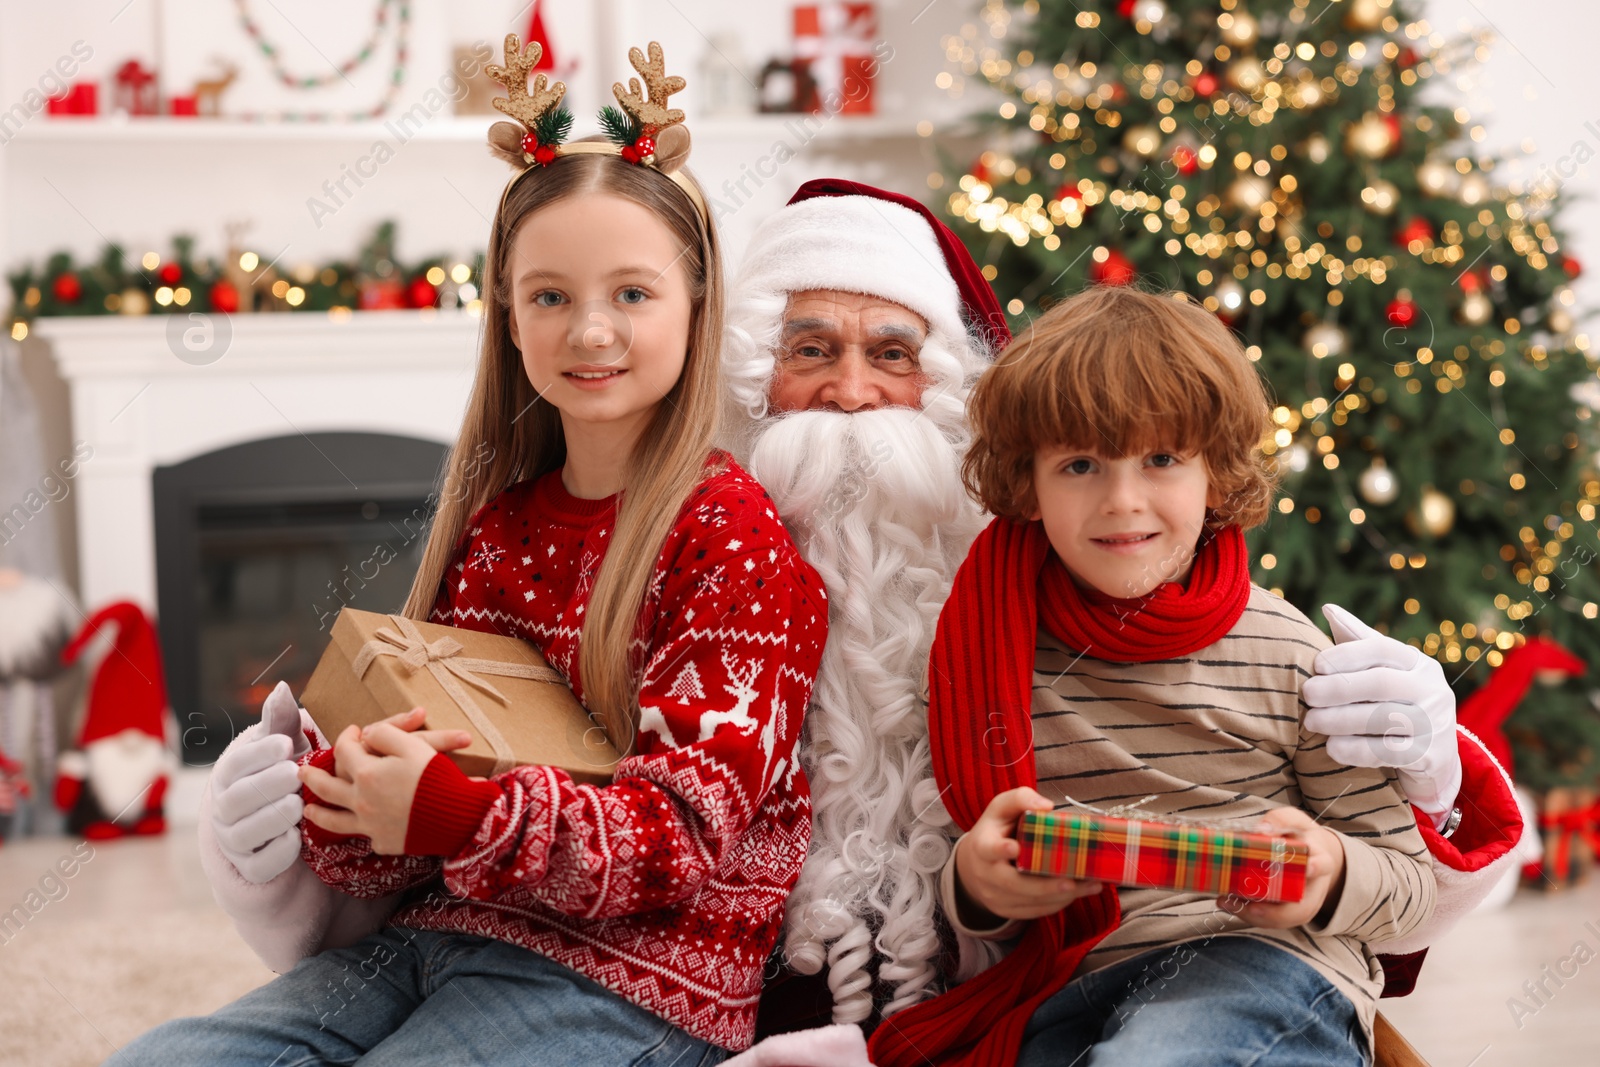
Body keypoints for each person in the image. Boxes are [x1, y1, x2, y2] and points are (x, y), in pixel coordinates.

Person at [199, 181, 1522, 1052]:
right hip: (669, 983)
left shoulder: (1051, 562)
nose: (845, 394)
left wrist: (1428, 752)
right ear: (743, 377)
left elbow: (1253, 713)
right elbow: (500, 784)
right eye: (810, 348)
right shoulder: (666, 555)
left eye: (892, 354)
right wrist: (287, 852)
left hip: (1030, 994)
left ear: (952, 398)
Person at [109, 38, 826, 1065]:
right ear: (505, 309)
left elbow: (676, 839)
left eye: (632, 293)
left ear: (696, 304)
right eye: (549, 296)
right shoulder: (498, 525)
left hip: (635, 977)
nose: (589, 330)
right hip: (442, 931)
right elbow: (409, 811)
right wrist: (343, 791)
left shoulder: (736, 541)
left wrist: (455, 810)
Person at [870, 286, 1437, 1067]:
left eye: (1162, 458)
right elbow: (972, 887)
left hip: (1264, 965)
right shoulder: (987, 645)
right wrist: (977, 885)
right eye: (1080, 464)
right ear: (1028, 484)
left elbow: (1411, 880)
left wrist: (1331, 871)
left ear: (1219, 474)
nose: (1122, 501)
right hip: (1074, 983)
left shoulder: (1285, 648)